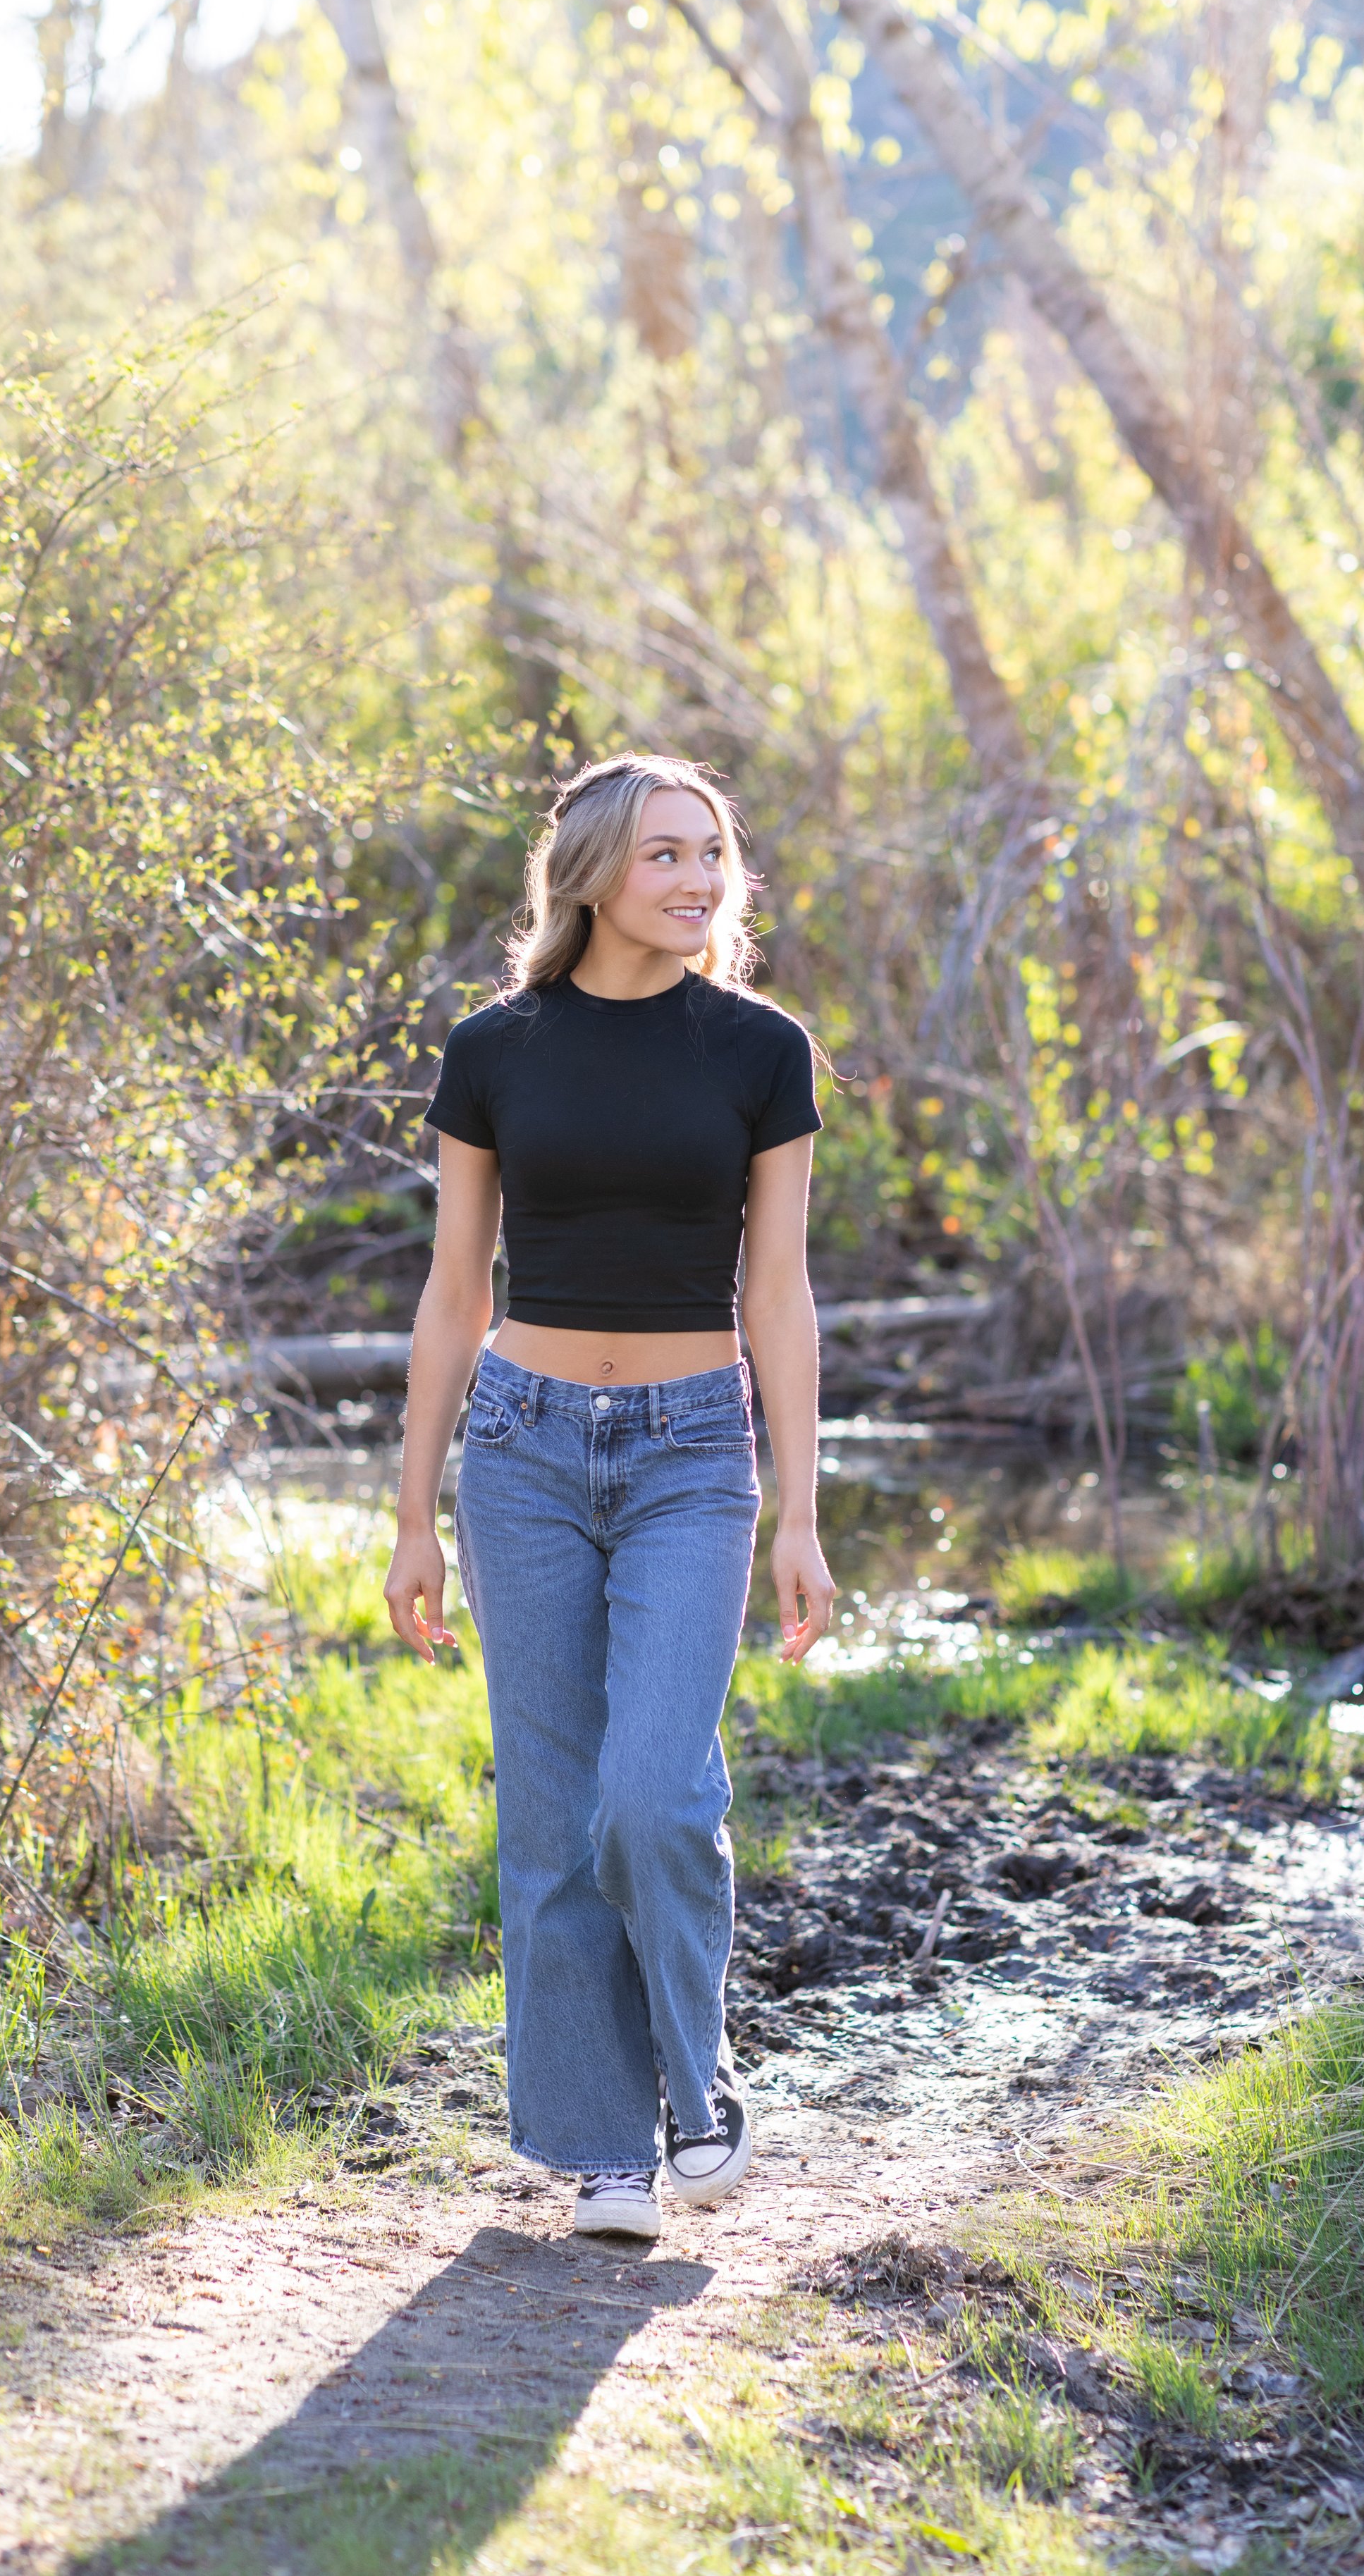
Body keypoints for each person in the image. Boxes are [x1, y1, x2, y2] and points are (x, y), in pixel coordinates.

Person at [383, 751, 835, 2241]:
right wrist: (409, 1520)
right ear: (587, 873)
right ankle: (602, 2156)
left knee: (652, 1795)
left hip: (692, 1448)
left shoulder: (761, 1051)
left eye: (712, 854)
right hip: (518, 1446)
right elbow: (453, 1294)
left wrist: (800, 1512)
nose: (700, 879)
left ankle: (697, 2083)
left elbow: (779, 1294)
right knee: (553, 1812)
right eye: (665, 855)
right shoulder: (494, 1050)